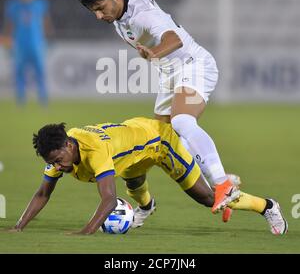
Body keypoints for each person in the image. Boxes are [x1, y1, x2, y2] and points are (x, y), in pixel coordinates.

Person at [71, 0, 239, 214]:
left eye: (100, 9)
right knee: (160, 141)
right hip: (170, 74)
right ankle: (201, 195)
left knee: (182, 123)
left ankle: (223, 183)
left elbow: (173, 39)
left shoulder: (143, 14)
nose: (99, 17)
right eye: (92, 12)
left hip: (193, 64)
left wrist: (153, 53)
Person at [10, 117, 287, 235]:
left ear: (69, 146)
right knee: (133, 179)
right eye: (52, 164)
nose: (57, 167)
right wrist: (19, 226)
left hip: (158, 143)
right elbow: (43, 192)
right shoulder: (59, 153)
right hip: (131, 149)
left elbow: (108, 200)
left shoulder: (94, 151)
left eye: (58, 161)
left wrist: (86, 232)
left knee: (206, 199)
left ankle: (267, 206)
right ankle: (146, 207)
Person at [2, 0, 53, 104]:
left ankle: (43, 98)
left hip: (37, 43)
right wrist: (6, 39)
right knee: (19, 72)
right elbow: (9, 24)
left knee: (40, 72)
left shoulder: (40, 3)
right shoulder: (13, 4)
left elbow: (46, 21)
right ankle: (21, 99)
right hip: (19, 44)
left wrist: (49, 36)